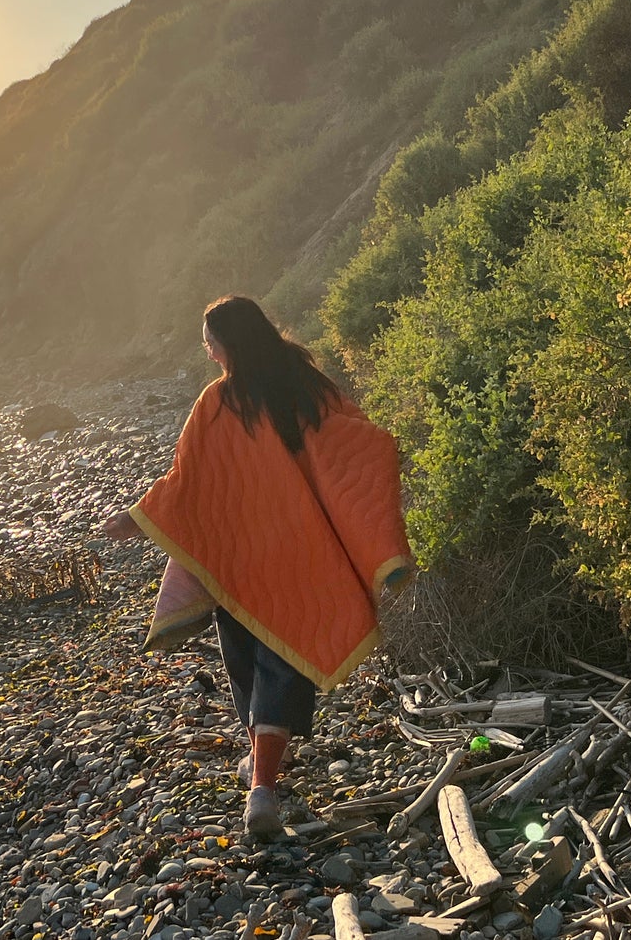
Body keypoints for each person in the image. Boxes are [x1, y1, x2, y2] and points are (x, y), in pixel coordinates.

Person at [101, 295, 413, 840]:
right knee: (283, 664)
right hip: (305, 556)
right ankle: (262, 776)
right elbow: (359, 446)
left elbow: (187, 483)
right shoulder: (309, 385)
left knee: (249, 663)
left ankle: (262, 786)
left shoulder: (220, 402)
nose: (206, 347)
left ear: (230, 344)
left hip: (241, 560)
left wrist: (136, 519)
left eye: (210, 338)